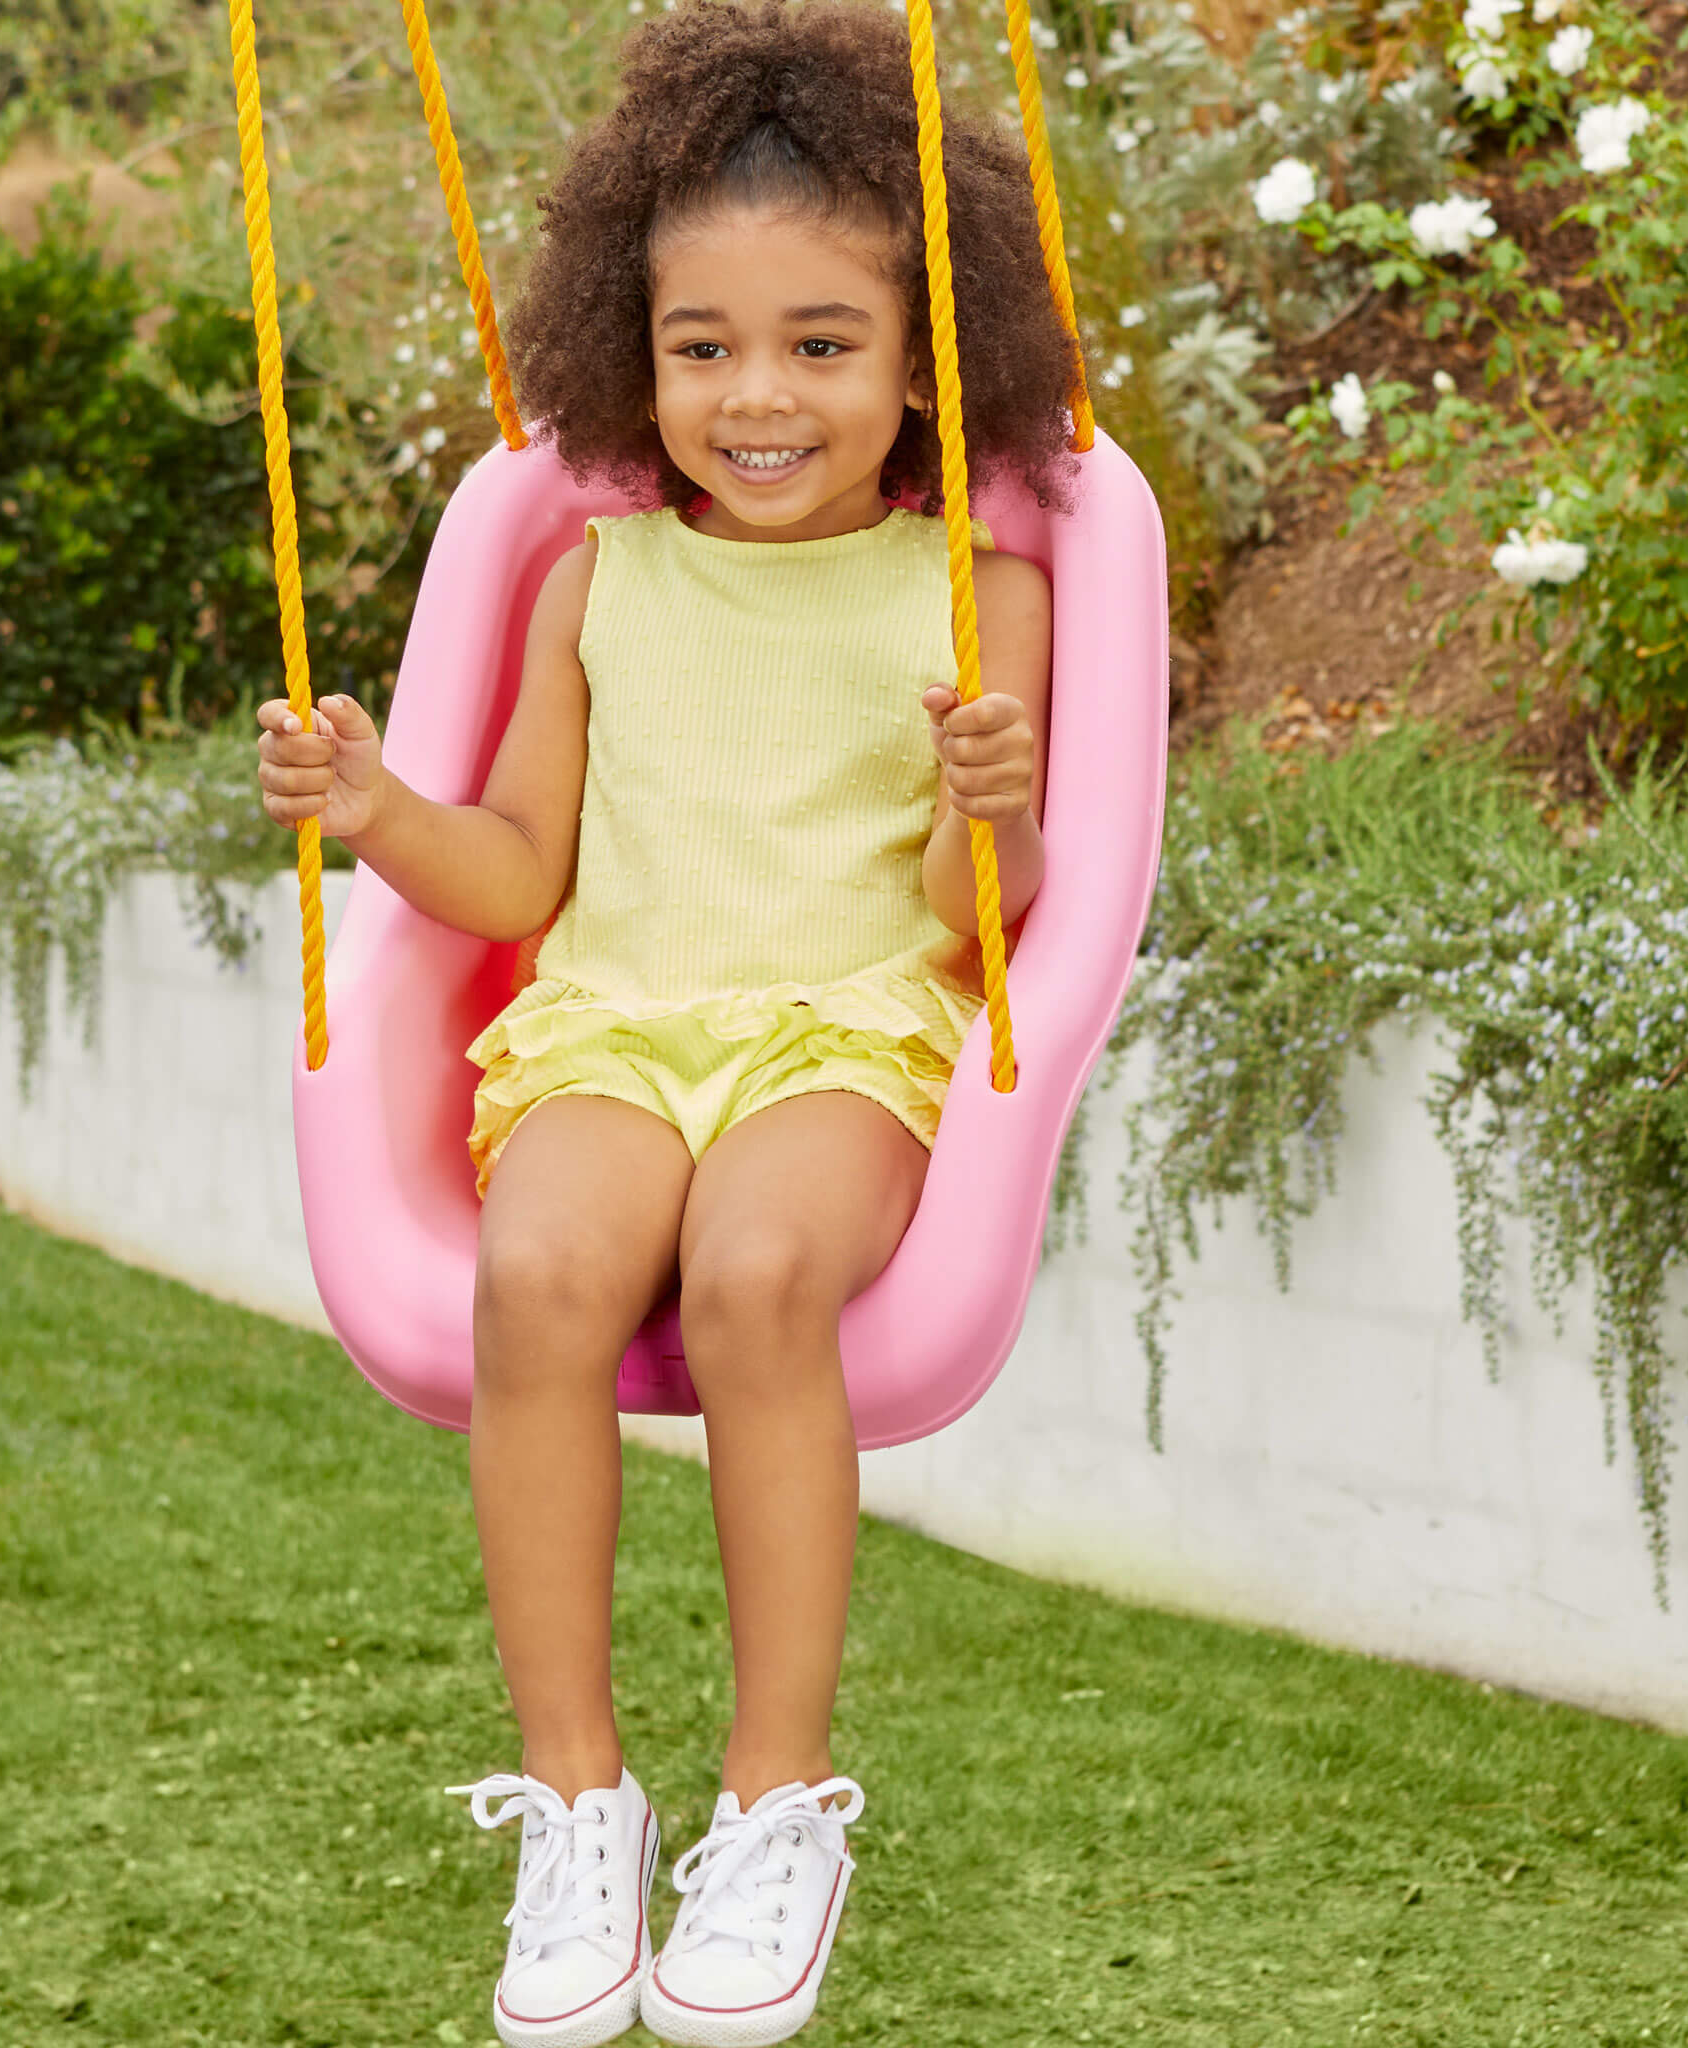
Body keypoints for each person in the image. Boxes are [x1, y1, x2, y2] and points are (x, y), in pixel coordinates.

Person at [256, 3, 1078, 2038]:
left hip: (842, 1031)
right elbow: (515, 874)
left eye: (822, 344)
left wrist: (995, 805)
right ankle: (575, 1803)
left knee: (758, 1271)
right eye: (702, 348)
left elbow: (978, 924)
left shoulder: (977, 595)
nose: (757, 396)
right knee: (536, 1276)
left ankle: (777, 1799)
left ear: (922, 363)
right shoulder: (598, 581)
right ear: (636, 353)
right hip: (617, 1022)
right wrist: (376, 808)